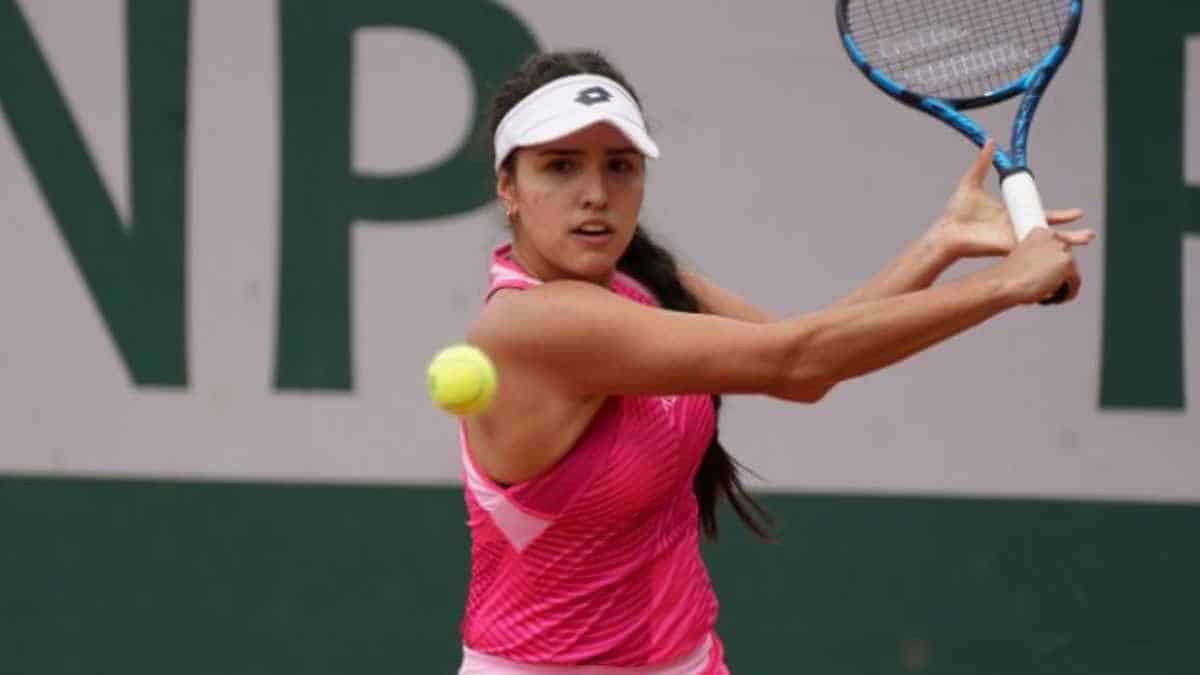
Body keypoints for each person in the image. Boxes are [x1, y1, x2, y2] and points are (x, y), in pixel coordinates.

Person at [455, 50, 1093, 674]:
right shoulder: (530, 323)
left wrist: (941, 243)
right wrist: (1005, 286)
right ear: (508, 186)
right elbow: (796, 362)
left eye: (619, 166)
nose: (595, 193)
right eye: (560, 167)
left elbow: (812, 357)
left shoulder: (640, 278)